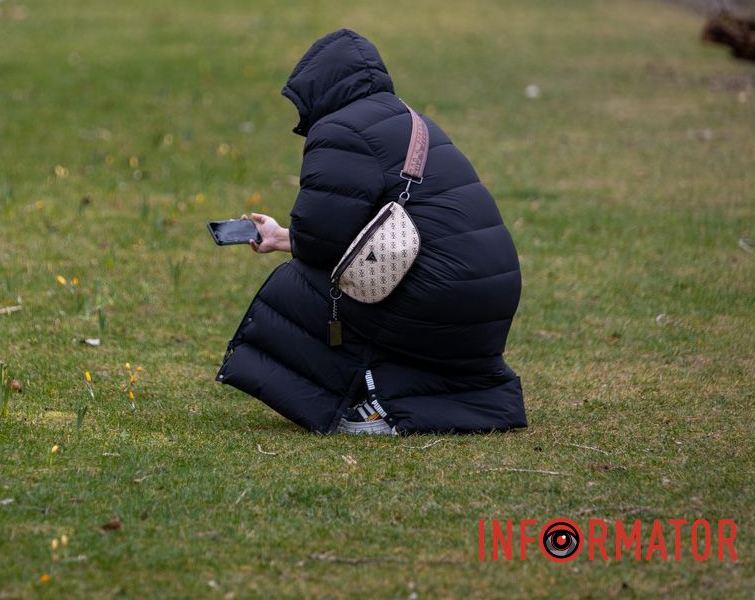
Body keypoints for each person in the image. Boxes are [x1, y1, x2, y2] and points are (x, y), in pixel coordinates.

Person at [216, 29, 527, 435]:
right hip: (486, 297)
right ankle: (410, 394)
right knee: (358, 280)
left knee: (298, 286)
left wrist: (298, 244)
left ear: (318, 89)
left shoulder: (339, 130)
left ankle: (377, 405)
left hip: (439, 297)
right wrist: (281, 237)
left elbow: (320, 242)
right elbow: (352, 235)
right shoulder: (412, 120)